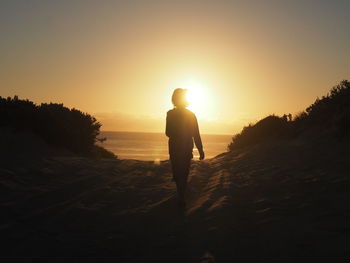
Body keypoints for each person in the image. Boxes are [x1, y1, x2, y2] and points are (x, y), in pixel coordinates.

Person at [165, 88, 205, 208]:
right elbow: (196, 133)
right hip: (185, 145)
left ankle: (180, 195)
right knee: (183, 171)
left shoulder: (171, 114)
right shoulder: (190, 115)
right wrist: (200, 150)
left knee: (178, 171)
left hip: (176, 146)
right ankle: (181, 195)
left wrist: (200, 149)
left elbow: (168, 132)